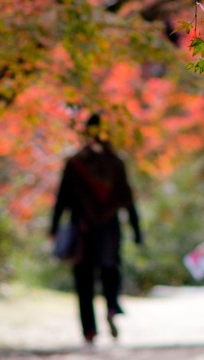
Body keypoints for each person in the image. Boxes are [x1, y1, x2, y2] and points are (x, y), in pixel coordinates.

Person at [50, 113, 142, 345]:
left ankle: (89, 330)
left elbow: (62, 198)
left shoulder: (75, 164)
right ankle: (111, 306)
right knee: (111, 269)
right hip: (110, 227)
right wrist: (136, 230)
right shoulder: (115, 162)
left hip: (83, 228)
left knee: (84, 280)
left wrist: (53, 227)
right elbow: (127, 200)